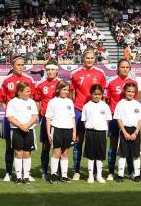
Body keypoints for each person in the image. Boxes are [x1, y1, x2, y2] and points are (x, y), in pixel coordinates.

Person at [70, 49, 106, 181]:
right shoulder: (75, 73)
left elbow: (102, 93)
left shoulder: (100, 73)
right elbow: (73, 94)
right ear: (83, 58)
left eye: (92, 58)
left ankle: (96, 172)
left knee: (95, 142)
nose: (89, 60)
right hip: (79, 110)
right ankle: (77, 171)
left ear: (94, 59)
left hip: (95, 111)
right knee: (78, 142)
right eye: (87, 58)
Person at [1, 56, 35, 182]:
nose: (21, 67)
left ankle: (26, 173)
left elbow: (33, 98)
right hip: (12, 120)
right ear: (13, 65)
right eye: (18, 65)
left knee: (26, 148)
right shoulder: (6, 80)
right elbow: (4, 99)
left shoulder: (29, 79)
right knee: (10, 146)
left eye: (22, 65)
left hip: (26, 121)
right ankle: (9, 172)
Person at [105, 59, 137, 180]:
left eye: (127, 67)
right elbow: (107, 101)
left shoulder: (133, 82)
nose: (124, 69)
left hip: (129, 119)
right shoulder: (111, 82)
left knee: (130, 145)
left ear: (129, 69)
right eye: (122, 67)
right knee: (113, 145)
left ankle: (131, 171)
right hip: (115, 117)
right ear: (117, 68)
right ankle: (111, 172)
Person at [6, 81, 38, 184]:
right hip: (16, 130)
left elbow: (35, 116)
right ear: (20, 92)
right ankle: (19, 176)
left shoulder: (31, 102)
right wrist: (20, 125)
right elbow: (9, 117)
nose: (29, 93)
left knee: (27, 153)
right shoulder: (12, 102)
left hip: (29, 129)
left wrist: (27, 125)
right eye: (27, 91)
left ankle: (27, 176)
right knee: (18, 153)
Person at [113, 82, 141, 183]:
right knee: (123, 155)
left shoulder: (137, 104)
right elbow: (119, 119)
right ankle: (120, 176)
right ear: (125, 91)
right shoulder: (120, 104)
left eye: (133, 92)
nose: (131, 93)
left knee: (136, 155)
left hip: (135, 131)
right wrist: (125, 132)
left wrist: (136, 132)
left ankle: (137, 175)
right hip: (124, 131)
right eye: (129, 91)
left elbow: (140, 120)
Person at [34, 59, 60, 180]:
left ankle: (59, 172)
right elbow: (38, 100)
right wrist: (39, 114)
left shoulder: (62, 84)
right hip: (46, 119)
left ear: (57, 70)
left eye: (52, 69)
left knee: (59, 147)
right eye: (48, 69)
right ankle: (44, 172)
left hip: (60, 120)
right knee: (46, 146)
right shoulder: (41, 85)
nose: (50, 72)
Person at [45, 80, 75, 184]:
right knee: (56, 153)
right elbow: (48, 118)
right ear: (58, 89)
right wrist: (49, 133)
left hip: (68, 129)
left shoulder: (70, 102)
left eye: (67, 90)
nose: (66, 92)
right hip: (56, 129)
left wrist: (74, 132)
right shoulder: (53, 101)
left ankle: (64, 175)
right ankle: (53, 174)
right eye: (64, 89)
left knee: (65, 153)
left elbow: (72, 118)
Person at [82, 84, 111, 184]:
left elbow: (107, 120)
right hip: (90, 132)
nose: (97, 96)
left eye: (99, 94)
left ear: (102, 95)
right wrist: (88, 130)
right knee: (91, 156)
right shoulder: (87, 106)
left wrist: (105, 131)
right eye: (95, 94)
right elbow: (84, 120)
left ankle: (99, 175)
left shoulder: (105, 106)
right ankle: (90, 176)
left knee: (99, 156)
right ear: (91, 94)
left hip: (102, 133)